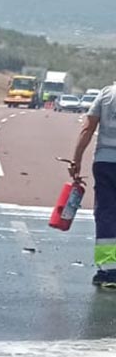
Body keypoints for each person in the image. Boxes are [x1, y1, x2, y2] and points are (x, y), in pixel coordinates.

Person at [68, 81, 116, 289]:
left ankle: (108, 270)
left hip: (106, 162)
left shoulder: (107, 94)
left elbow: (88, 128)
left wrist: (76, 159)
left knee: (106, 213)